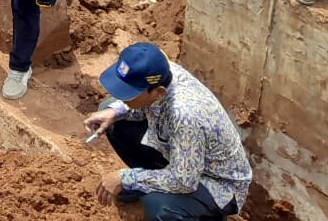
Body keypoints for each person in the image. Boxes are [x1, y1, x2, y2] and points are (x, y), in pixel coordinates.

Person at [83, 42, 252, 221]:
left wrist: (126, 178)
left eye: (129, 95)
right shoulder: (161, 71)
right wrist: (115, 111)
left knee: (159, 207)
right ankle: (154, 184)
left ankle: (205, 214)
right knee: (111, 112)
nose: (124, 98)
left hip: (217, 182)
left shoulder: (185, 115)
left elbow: (183, 181)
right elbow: (142, 106)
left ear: (159, 92)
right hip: (182, 156)